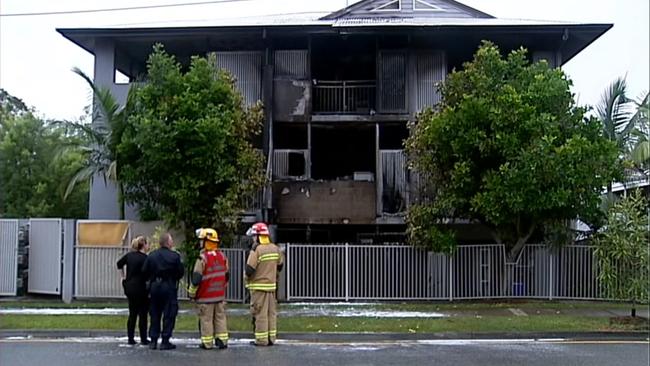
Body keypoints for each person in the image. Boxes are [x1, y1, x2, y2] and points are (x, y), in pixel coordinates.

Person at [187, 228, 230, 350]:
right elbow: (226, 276)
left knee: (206, 320)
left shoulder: (202, 259)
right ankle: (222, 340)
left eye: (202, 240)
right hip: (219, 296)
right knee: (220, 318)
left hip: (205, 297)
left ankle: (207, 343)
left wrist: (191, 294)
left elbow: (196, 279)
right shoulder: (222, 256)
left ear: (206, 241)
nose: (200, 243)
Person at [142, 232, 184, 350]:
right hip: (169, 286)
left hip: (155, 286)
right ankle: (165, 340)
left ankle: (153, 340)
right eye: (171, 240)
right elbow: (180, 272)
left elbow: (144, 270)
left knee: (154, 313)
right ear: (168, 242)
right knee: (169, 313)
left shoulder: (152, 255)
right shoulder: (175, 256)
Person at [245, 222, 283, 346]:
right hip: (271, 287)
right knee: (271, 313)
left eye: (253, 236)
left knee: (260, 314)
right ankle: (271, 338)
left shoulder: (257, 250)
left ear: (257, 236)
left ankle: (261, 340)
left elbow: (249, 269)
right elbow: (280, 265)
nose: (252, 239)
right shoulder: (275, 248)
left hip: (258, 288)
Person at [116, 235, 150, 346]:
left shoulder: (129, 256)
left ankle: (130, 338)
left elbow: (119, 264)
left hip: (130, 287)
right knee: (143, 314)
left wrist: (123, 277)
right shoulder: (145, 258)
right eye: (147, 244)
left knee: (132, 313)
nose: (148, 246)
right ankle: (143, 338)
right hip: (141, 288)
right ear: (143, 245)